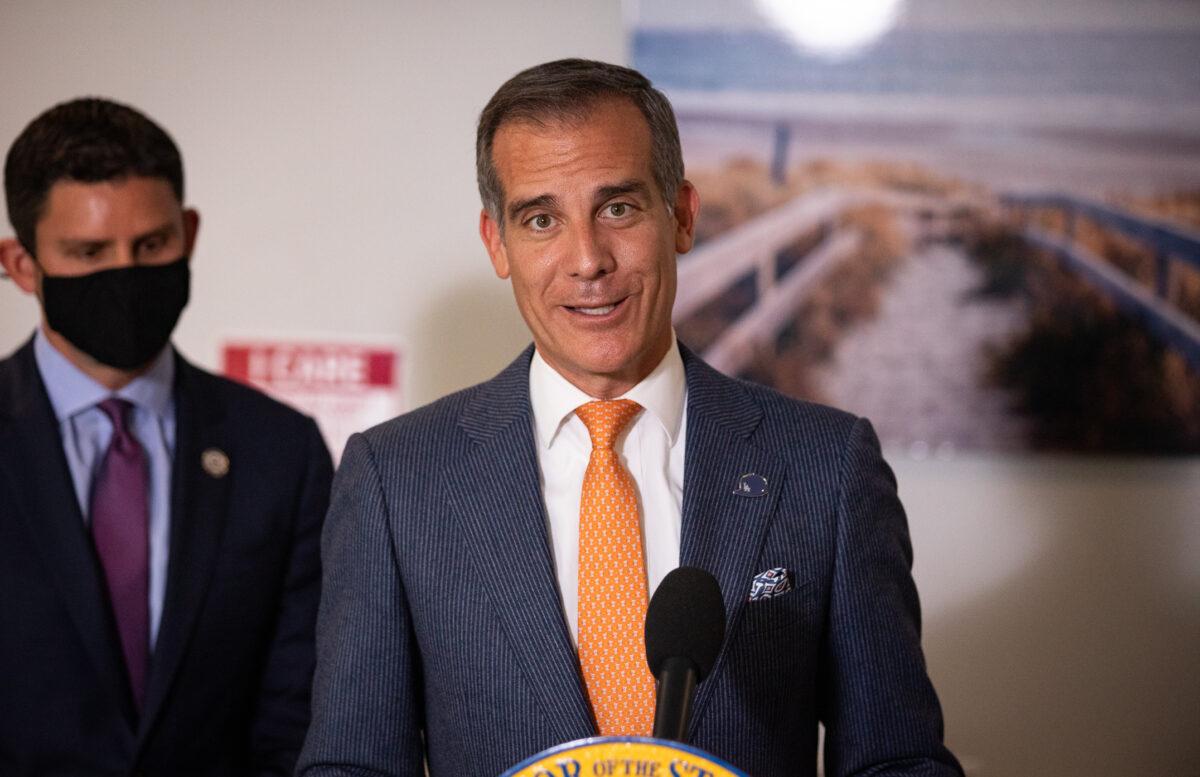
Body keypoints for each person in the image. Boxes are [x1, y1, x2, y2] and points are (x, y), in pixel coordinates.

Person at [299, 59, 962, 777]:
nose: (587, 260)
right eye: (542, 218)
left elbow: (898, 762)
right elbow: (351, 766)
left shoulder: (826, 466)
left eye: (618, 208)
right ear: (497, 243)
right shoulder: (396, 480)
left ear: (680, 215)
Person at [0, 98, 332, 776]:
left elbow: (298, 715)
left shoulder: (280, 451)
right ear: (22, 264)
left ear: (188, 232)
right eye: (89, 252)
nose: (125, 273)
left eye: (151, 245)